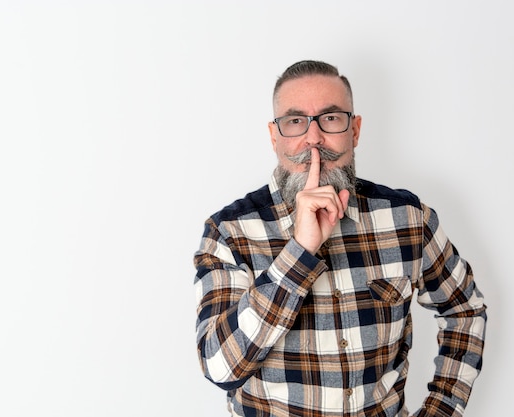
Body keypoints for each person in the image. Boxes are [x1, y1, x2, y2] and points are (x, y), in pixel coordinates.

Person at [193, 60, 486, 417]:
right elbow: (220, 367)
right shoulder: (229, 232)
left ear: (355, 130)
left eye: (330, 118)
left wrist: (441, 410)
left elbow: (464, 310)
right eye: (295, 121)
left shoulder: (408, 218)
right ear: (274, 137)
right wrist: (299, 252)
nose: (313, 138)